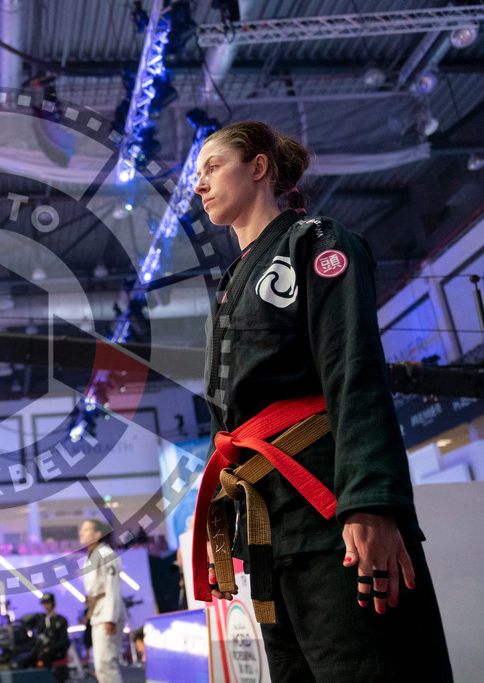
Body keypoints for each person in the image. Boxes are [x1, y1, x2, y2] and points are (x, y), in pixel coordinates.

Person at [190, 120, 452, 681]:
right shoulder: (233, 280)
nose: (199, 184)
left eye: (212, 167)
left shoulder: (316, 243)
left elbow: (354, 373)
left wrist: (371, 504)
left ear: (258, 167)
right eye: (198, 174)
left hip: (331, 514)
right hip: (269, 527)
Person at [79, 519, 125, 683]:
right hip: (98, 612)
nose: (81, 533)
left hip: (108, 612)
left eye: (86, 530)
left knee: (106, 664)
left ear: (97, 534)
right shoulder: (90, 557)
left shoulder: (106, 555)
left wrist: (110, 619)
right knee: (100, 666)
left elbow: (112, 587)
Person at [29, 593, 70, 682]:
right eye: (44, 603)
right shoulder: (41, 621)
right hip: (42, 650)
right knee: (28, 658)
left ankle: (49, 678)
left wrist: (51, 648)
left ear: (53, 603)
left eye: (48, 603)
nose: (46, 605)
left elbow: (64, 640)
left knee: (46, 656)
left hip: (56, 652)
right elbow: (39, 637)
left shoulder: (61, 620)